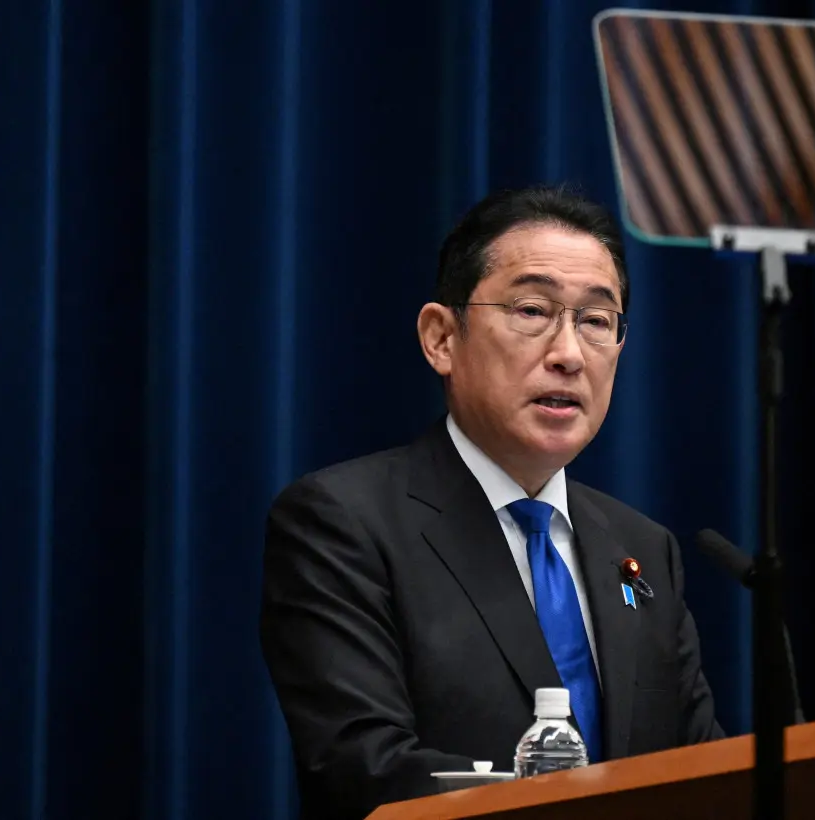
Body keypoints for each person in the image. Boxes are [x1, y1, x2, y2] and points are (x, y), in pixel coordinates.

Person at [259, 184, 724, 820]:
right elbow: (363, 771)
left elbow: (700, 766)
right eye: (533, 310)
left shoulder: (642, 549)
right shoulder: (344, 523)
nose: (567, 354)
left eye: (595, 321)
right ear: (441, 338)